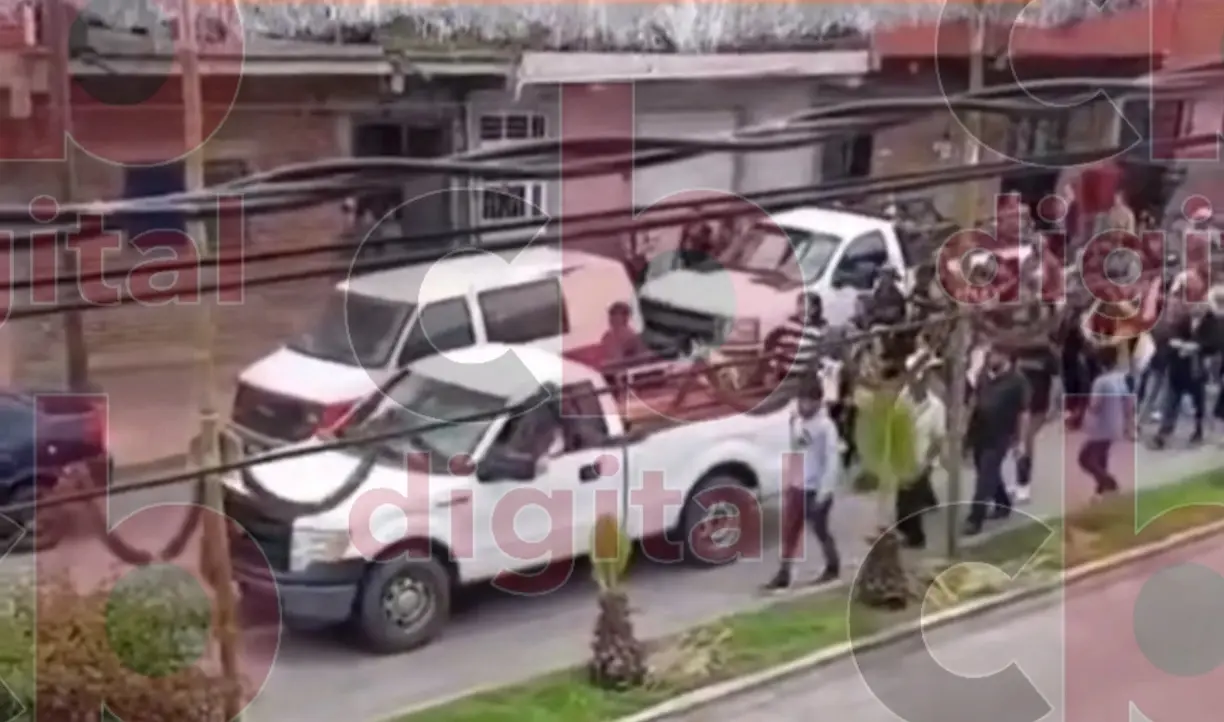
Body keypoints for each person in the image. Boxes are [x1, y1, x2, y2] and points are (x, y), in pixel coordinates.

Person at [764, 381, 842, 591]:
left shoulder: (826, 427)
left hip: (816, 489)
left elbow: (832, 461)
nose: (804, 406)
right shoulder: (796, 422)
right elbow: (795, 451)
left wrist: (825, 492)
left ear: (818, 402)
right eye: (801, 401)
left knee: (820, 530)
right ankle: (784, 573)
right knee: (790, 532)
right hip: (796, 487)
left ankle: (833, 565)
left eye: (808, 402)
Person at [963, 346, 1030, 536]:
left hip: (1001, 435)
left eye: (993, 355)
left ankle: (974, 518)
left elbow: (1024, 413)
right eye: (988, 355)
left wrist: (1021, 441)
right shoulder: (984, 376)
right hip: (980, 432)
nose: (990, 358)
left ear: (1005, 355)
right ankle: (1002, 503)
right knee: (986, 470)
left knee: (984, 477)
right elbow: (975, 402)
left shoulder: (1018, 381)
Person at [895, 363, 946, 549]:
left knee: (910, 504)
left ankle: (917, 540)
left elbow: (938, 439)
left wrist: (926, 462)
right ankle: (909, 530)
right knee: (902, 506)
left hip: (922, 460)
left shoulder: (936, 407)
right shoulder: (903, 399)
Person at [1152, 301, 1216, 449]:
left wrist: (1197, 347)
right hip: (1178, 368)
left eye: (1202, 306)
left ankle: (1199, 430)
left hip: (1197, 370)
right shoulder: (1183, 321)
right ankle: (1163, 433)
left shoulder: (1212, 324)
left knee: (1199, 403)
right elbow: (1171, 337)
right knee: (1171, 402)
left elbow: (1214, 344)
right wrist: (1179, 345)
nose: (1197, 308)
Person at [1079, 345, 1132, 498]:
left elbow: (1095, 406)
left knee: (1085, 459)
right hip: (1115, 424)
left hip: (1100, 427)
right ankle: (1101, 491)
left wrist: (1083, 412)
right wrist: (1127, 423)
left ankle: (1110, 484)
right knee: (1101, 457)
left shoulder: (1100, 382)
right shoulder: (1119, 378)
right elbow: (1128, 402)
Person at [599, 302, 646, 370]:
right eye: (611, 314)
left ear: (626, 317)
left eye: (615, 314)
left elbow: (641, 359)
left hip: (624, 373)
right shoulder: (606, 337)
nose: (612, 318)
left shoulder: (632, 337)